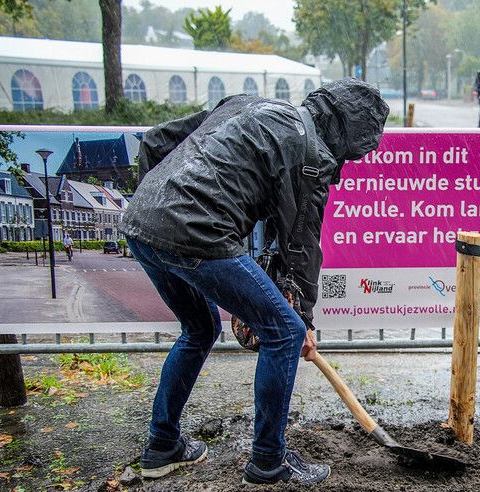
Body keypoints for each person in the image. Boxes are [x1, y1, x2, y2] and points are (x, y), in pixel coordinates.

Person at [119, 78, 389, 485]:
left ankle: (162, 447)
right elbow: (301, 246)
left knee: (200, 328)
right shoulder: (312, 153)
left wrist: (154, 205)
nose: (345, 163)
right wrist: (304, 319)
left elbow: (157, 141)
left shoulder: (246, 104)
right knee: (285, 332)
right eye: (351, 153)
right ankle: (268, 461)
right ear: (344, 133)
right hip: (198, 230)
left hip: (141, 221)